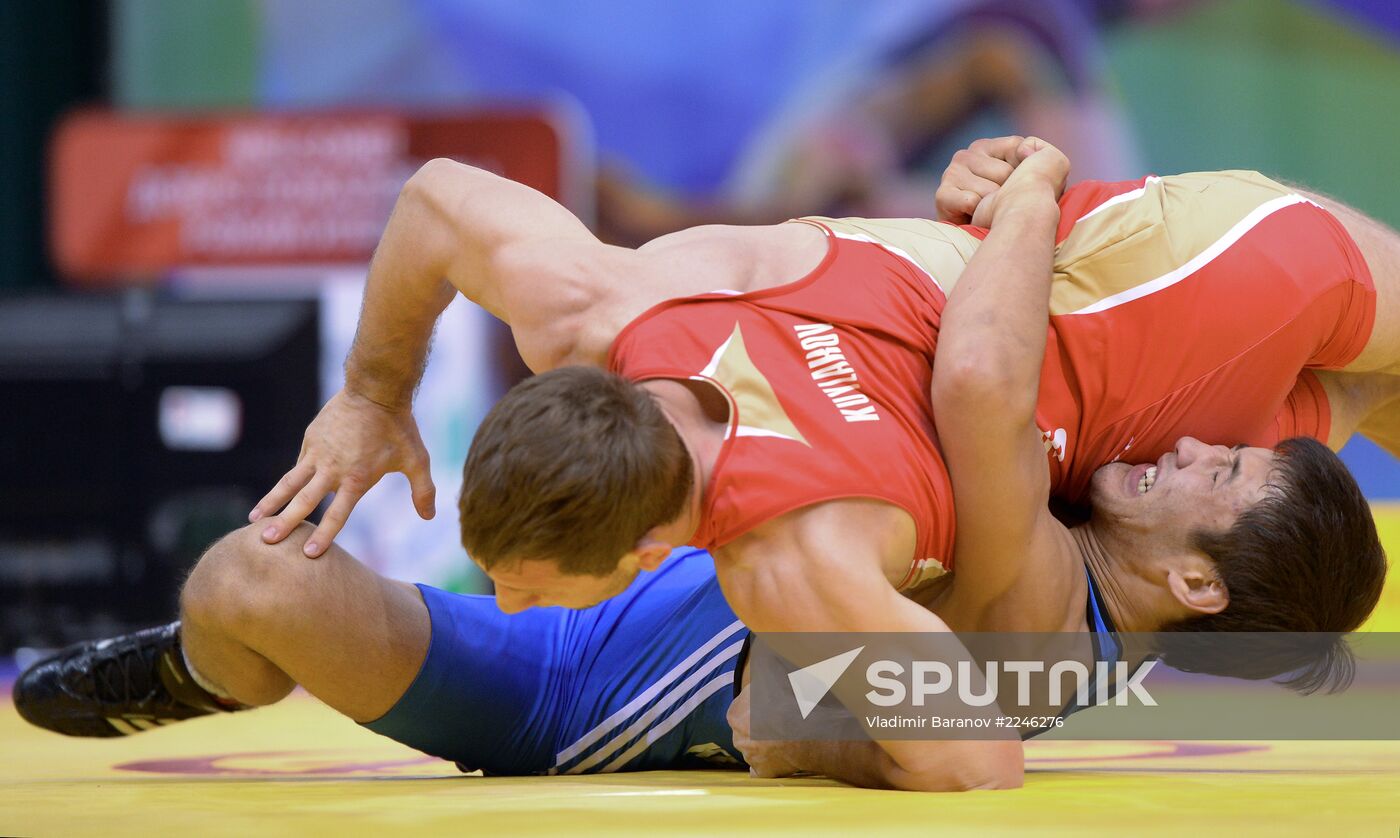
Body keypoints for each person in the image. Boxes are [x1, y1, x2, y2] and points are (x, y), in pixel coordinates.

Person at [16, 139, 1397, 791]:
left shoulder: (1003, 609)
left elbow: (972, 753)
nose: (1180, 449)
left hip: (563, 699)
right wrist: (371, 400)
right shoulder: (620, 328)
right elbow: (438, 199)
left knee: (258, 576)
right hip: (851, 471)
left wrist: (807, 732)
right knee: (1331, 337)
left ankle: (214, 653)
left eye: (1215, 469)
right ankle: (205, 667)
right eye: (1219, 449)